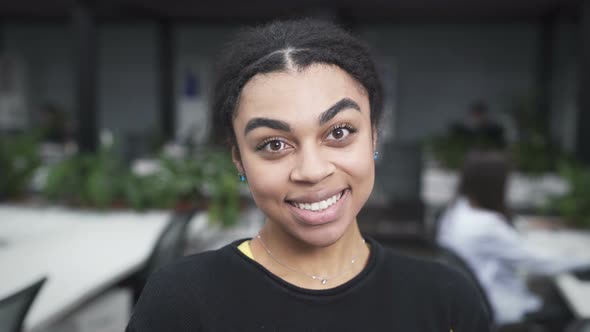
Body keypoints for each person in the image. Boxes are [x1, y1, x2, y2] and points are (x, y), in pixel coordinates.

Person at [126, 19, 490, 332]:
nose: (313, 171)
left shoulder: (446, 301)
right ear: (238, 159)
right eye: (273, 144)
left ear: (374, 136)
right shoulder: (181, 303)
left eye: (339, 132)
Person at [437, 150, 589, 326]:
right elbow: (539, 262)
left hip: (473, 299)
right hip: (502, 305)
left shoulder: (455, 212)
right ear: (493, 185)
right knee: (571, 309)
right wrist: (584, 259)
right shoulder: (486, 226)